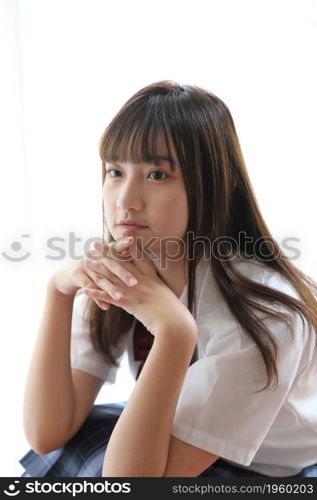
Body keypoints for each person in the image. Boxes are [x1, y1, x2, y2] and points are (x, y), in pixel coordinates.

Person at [19, 80, 317, 477]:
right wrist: (58, 289)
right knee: (87, 439)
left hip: (267, 470)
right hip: (188, 435)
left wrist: (175, 330)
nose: (125, 199)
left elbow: (132, 485)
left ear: (219, 185)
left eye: (158, 174)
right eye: (115, 171)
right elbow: (46, 433)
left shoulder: (267, 315)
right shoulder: (123, 271)